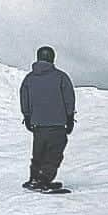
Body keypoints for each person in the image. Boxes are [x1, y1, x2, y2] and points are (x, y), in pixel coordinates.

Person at [19, 45, 76, 191]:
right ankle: (44, 180)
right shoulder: (61, 77)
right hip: (57, 124)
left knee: (38, 152)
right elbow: (69, 98)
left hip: (38, 124)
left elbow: (24, 99)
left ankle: (34, 179)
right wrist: (69, 118)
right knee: (53, 154)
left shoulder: (29, 78)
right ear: (52, 58)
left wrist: (27, 116)